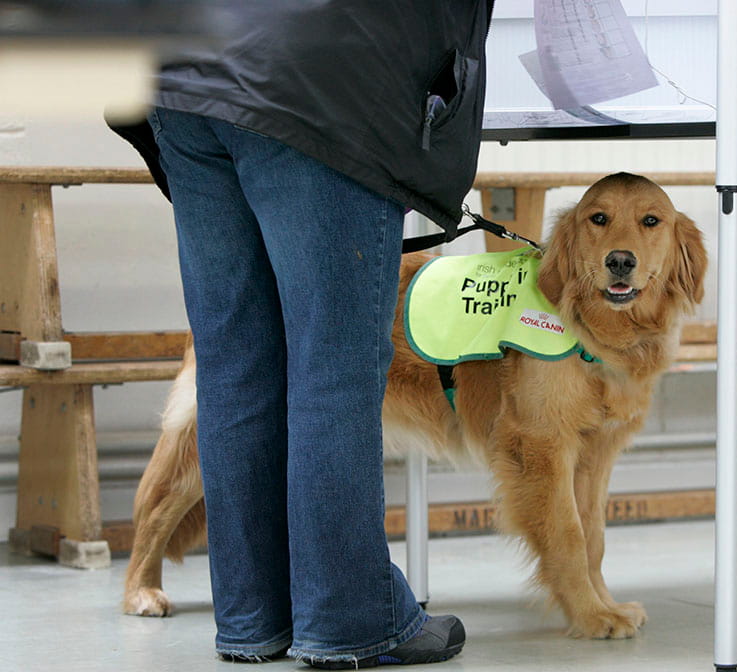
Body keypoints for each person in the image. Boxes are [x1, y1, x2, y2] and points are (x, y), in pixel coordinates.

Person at [122, 2, 494, 667]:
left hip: (182, 71)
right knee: (335, 370)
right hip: (318, 80)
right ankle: (352, 621)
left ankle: (251, 619)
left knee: (235, 365)